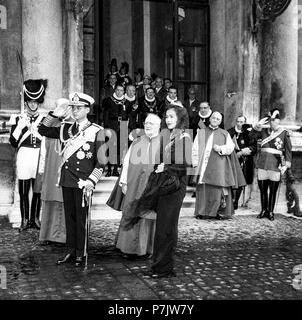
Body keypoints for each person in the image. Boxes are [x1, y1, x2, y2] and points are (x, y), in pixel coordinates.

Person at [38, 92, 105, 266]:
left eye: (79, 108)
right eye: (73, 108)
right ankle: (70, 250)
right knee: (70, 217)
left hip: (84, 181)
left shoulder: (97, 131)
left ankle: (80, 253)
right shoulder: (65, 128)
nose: (75, 111)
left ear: (87, 109)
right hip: (67, 179)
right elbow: (42, 130)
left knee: (81, 220)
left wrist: (92, 181)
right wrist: (55, 113)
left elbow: (102, 161)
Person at [135, 105, 192, 278]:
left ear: (180, 119)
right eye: (166, 116)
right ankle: (160, 266)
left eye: (172, 117)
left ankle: (163, 268)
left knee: (166, 228)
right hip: (165, 185)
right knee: (164, 226)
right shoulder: (168, 136)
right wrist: (160, 167)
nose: (168, 120)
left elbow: (184, 165)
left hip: (174, 188)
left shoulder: (184, 138)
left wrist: (164, 167)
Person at [111, 114, 161, 259]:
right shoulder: (137, 142)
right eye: (146, 123)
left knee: (148, 215)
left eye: (151, 123)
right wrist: (124, 182)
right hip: (134, 184)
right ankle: (128, 248)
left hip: (151, 186)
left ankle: (147, 248)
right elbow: (126, 163)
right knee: (131, 212)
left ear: (158, 125)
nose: (148, 125)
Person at [9, 78, 48, 231]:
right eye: (30, 101)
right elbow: (13, 142)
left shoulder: (44, 119)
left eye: (36, 101)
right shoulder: (18, 118)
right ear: (26, 102)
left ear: (39, 102)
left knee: (37, 189)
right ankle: (25, 220)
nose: (33, 104)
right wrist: (19, 127)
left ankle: (35, 219)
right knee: (23, 190)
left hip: (39, 155)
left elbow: (48, 140)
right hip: (24, 156)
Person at [192, 111, 246, 220]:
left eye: (218, 119)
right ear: (210, 118)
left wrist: (221, 149)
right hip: (203, 165)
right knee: (203, 188)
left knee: (216, 190)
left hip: (217, 166)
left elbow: (231, 148)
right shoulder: (201, 132)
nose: (215, 120)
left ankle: (217, 212)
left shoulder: (224, 133)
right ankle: (202, 212)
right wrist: (195, 163)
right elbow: (195, 148)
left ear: (220, 121)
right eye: (213, 118)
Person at [39, 98, 72, 245]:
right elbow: (42, 129)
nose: (62, 109)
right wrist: (53, 114)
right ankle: (48, 234)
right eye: (59, 107)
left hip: (65, 170)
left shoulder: (72, 126)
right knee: (51, 200)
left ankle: (62, 236)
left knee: (64, 202)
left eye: (64, 107)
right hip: (51, 170)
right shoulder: (55, 125)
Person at [250, 108, 292, 221]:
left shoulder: (284, 133)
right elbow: (251, 137)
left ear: (279, 122)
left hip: (275, 164)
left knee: (273, 190)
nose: (274, 123)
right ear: (269, 121)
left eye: (276, 121)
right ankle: (263, 210)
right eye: (272, 121)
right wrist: (257, 126)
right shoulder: (263, 131)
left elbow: (288, 149)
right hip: (263, 163)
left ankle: (271, 211)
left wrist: (286, 163)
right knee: (263, 190)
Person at [228, 115, 257, 209]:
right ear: (236, 122)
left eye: (242, 122)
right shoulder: (230, 132)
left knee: (241, 180)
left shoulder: (249, 132)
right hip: (231, 159)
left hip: (244, 161)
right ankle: (230, 200)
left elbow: (254, 146)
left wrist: (244, 151)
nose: (240, 124)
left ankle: (236, 201)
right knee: (231, 179)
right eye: (238, 122)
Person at [103, 84, 127, 176]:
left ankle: (116, 169)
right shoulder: (108, 100)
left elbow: (127, 114)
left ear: (123, 92)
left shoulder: (126, 101)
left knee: (119, 148)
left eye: (121, 90)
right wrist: (106, 127)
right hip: (111, 125)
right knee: (110, 147)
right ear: (115, 90)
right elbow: (105, 114)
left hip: (122, 125)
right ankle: (109, 169)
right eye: (118, 90)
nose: (119, 92)